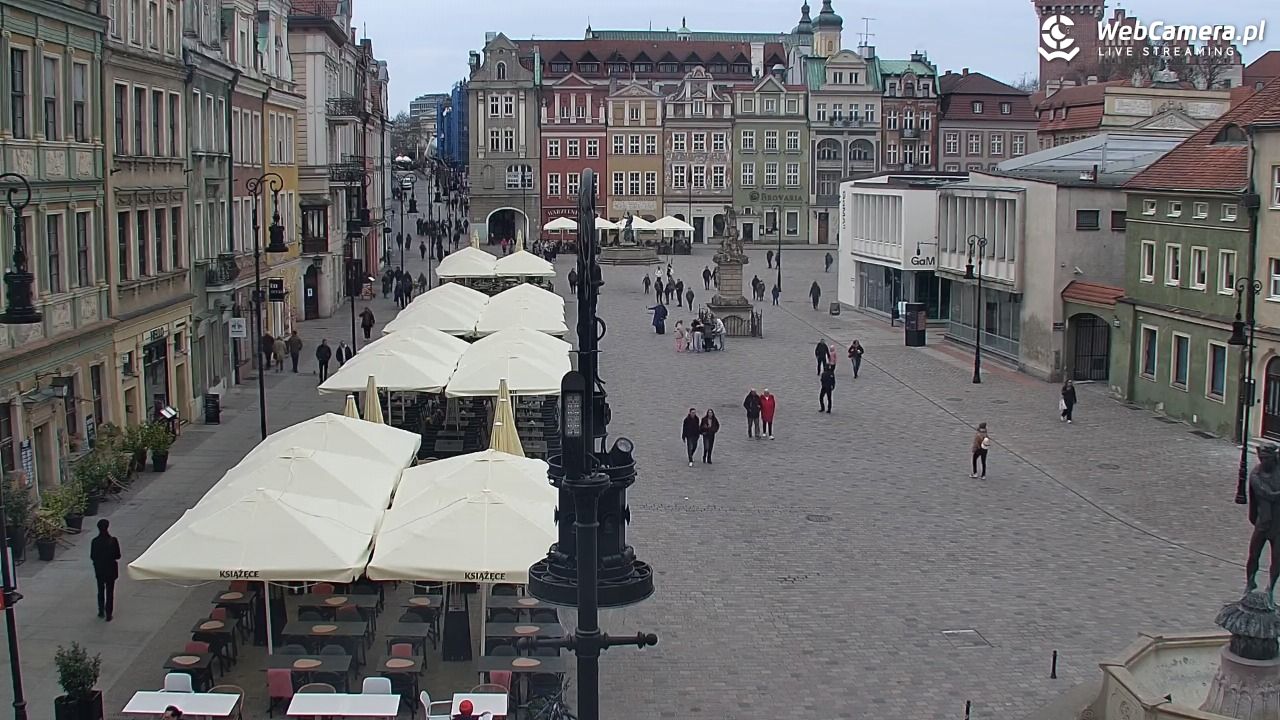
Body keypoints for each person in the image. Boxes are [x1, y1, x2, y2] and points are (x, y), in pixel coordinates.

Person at [90, 518, 121, 621]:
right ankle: (109, 613)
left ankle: (101, 610)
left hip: (100, 569)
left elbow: (93, 556)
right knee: (110, 592)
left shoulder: (95, 541)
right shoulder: (113, 541)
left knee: (100, 590)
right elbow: (118, 556)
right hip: (111, 569)